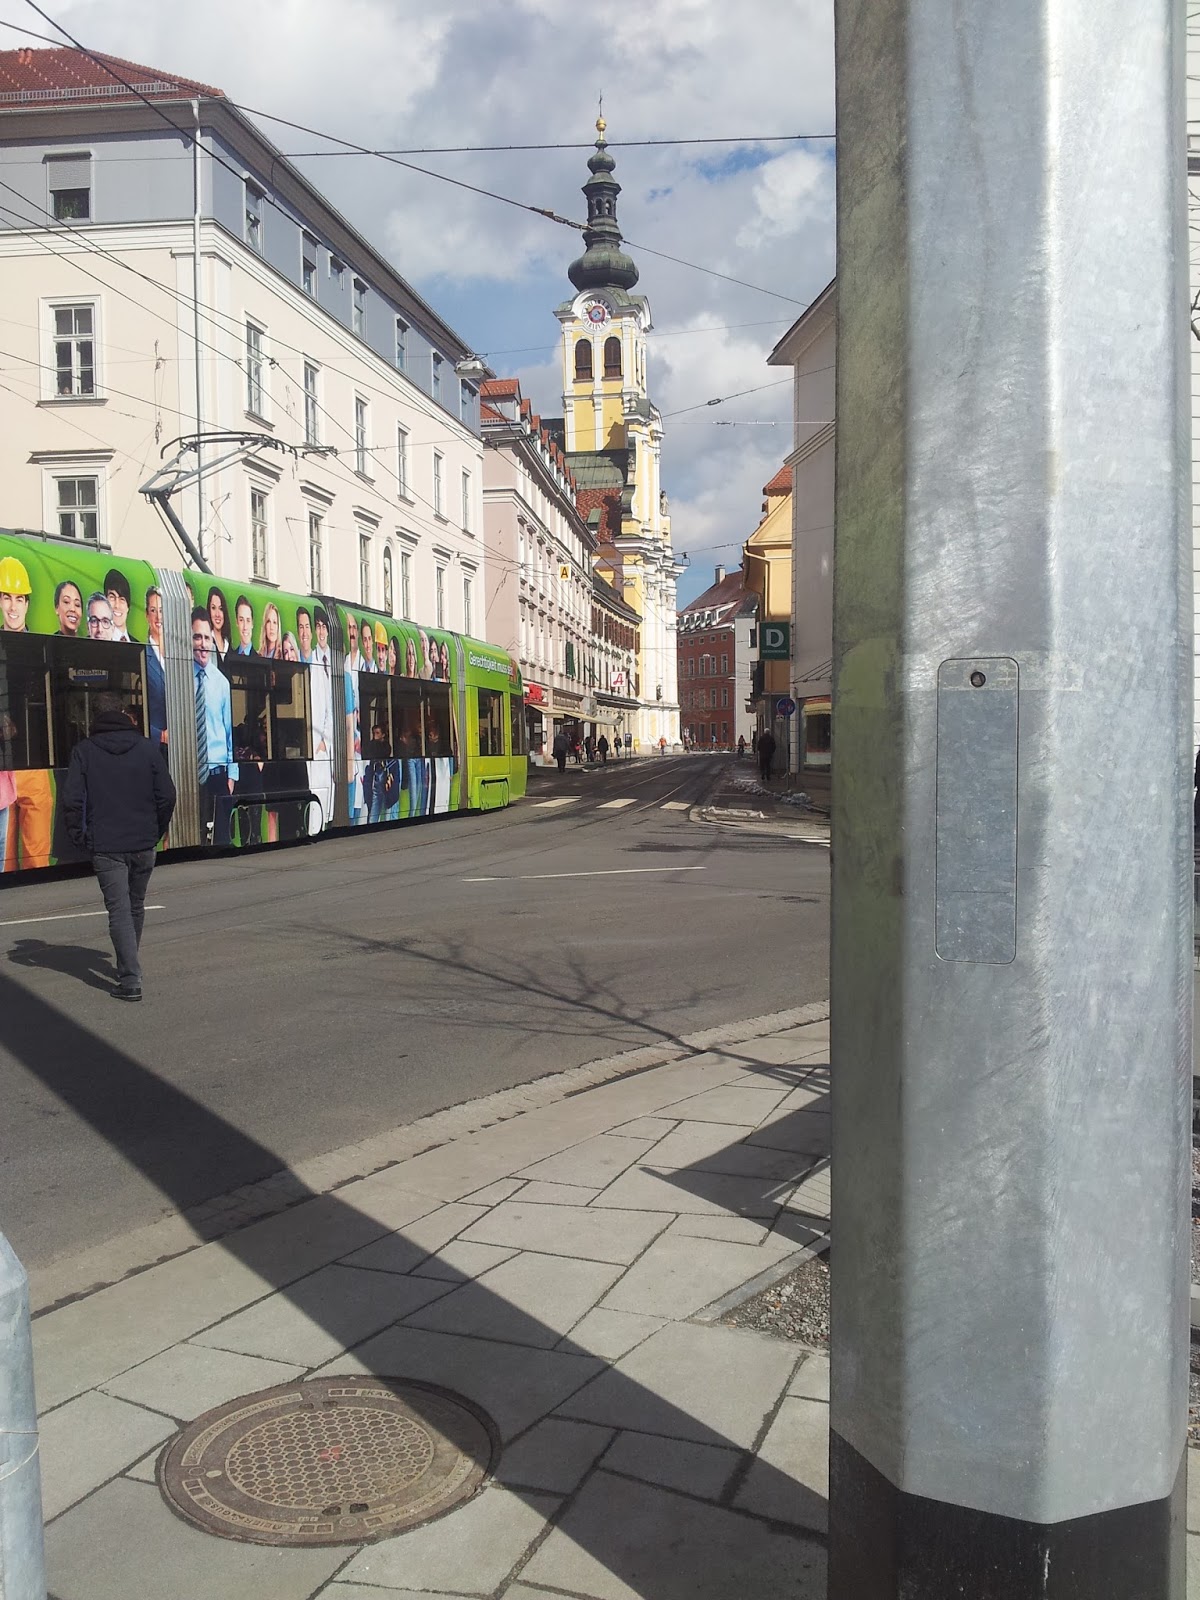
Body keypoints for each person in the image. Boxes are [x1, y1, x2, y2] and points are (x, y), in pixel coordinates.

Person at [61, 691, 176, 1001]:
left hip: (106, 845)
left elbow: (72, 800)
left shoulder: (84, 751)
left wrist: (79, 836)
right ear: (124, 713)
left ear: (94, 716)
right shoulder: (147, 748)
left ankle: (130, 978)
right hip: (143, 842)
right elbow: (167, 795)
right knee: (135, 905)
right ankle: (130, 965)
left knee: (119, 910)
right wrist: (156, 829)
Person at [191, 608, 238, 846]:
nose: (202, 643)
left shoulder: (221, 683)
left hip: (218, 774)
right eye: (197, 637)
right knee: (195, 840)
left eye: (207, 638)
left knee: (222, 840)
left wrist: (232, 775)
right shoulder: (180, 678)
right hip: (190, 773)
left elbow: (230, 732)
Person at [308, 604, 335, 830]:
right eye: (317, 626)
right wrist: (320, 743)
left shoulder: (336, 661)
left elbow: (332, 708)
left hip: (326, 744)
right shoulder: (312, 660)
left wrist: (326, 741)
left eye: (324, 626)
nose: (321, 631)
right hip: (317, 745)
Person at [145, 586, 168, 750]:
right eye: (153, 610)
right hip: (154, 749)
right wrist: (159, 735)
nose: (158, 616)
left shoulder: (180, 654)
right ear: (147, 615)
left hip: (181, 749)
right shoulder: (141, 654)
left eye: (161, 610)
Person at [0, 555, 31, 632]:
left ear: (26, 605)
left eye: (19, 600)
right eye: (7, 598)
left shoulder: (41, 640)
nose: (13, 607)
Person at [103, 569, 133, 642]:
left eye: (122, 599)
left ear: (128, 607)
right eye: (112, 597)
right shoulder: (92, 641)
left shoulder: (139, 645)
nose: (117, 605)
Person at [208, 586, 231, 659]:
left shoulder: (228, 644)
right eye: (213, 608)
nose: (217, 614)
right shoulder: (207, 642)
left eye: (221, 608)